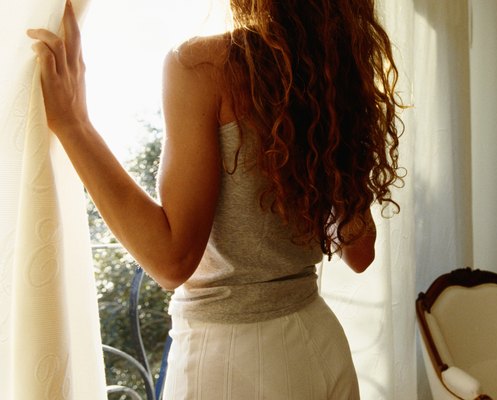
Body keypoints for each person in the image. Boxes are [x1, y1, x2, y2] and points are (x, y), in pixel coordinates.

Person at [27, 0, 403, 398]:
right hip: (321, 344)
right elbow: (361, 252)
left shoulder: (202, 66)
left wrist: (74, 124)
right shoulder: (329, 82)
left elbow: (172, 261)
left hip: (235, 359)